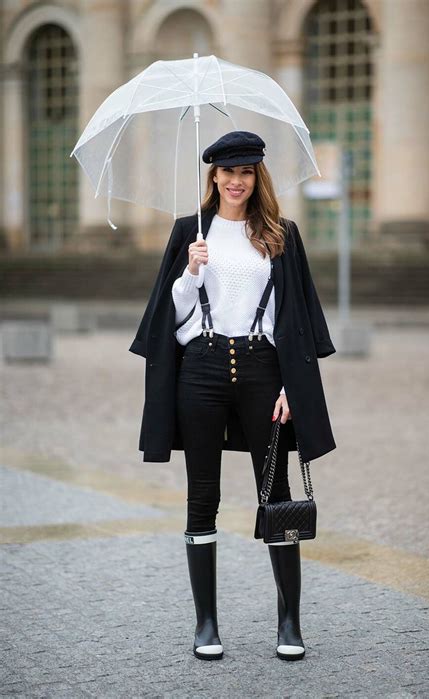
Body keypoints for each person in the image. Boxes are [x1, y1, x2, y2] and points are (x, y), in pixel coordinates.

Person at [129, 130, 337, 663]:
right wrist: (190, 272)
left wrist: (294, 383)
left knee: (277, 494)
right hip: (200, 368)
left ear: (256, 177)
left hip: (265, 370)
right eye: (228, 172)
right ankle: (206, 624)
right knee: (203, 495)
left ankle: (289, 623)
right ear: (214, 177)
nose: (237, 181)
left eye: (246, 172)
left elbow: (298, 316)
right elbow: (167, 318)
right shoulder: (188, 232)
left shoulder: (280, 234)